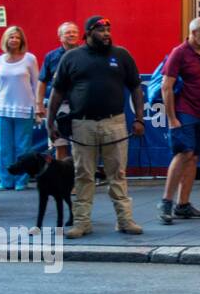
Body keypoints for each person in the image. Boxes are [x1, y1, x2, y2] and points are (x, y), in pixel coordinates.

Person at [48, 16, 145, 237]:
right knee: (83, 174)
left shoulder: (121, 55)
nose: (107, 33)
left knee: (117, 174)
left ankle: (124, 220)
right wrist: (50, 121)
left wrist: (140, 118)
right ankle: (82, 223)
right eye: (101, 30)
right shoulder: (72, 58)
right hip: (82, 124)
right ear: (88, 33)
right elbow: (58, 91)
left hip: (115, 123)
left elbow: (136, 87)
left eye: (109, 29)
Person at [157, 18, 200, 224]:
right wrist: (172, 118)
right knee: (184, 152)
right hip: (185, 110)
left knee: (194, 156)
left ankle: (183, 205)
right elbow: (166, 86)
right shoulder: (179, 53)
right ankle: (165, 202)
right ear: (193, 33)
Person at [0, 26, 39, 192]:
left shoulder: (30, 59)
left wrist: (37, 107)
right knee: (3, 147)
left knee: (23, 148)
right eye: (11, 37)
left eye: (17, 37)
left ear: (22, 40)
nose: (14, 40)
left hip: (24, 109)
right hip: (3, 109)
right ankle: (5, 180)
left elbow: (36, 84)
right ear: (6, 40)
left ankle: (21, 180)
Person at [36, 22, 80, 161]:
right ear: (60, 37)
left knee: (80, 146)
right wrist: (39, 105)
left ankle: (79, 180)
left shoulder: (85, 54)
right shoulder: (51, 57)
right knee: (60, 144)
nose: (71, 34)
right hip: (58, 107)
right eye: (68, 32)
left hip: (80, 107)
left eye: (74, 32)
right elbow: (42, 81)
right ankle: (63, 181)